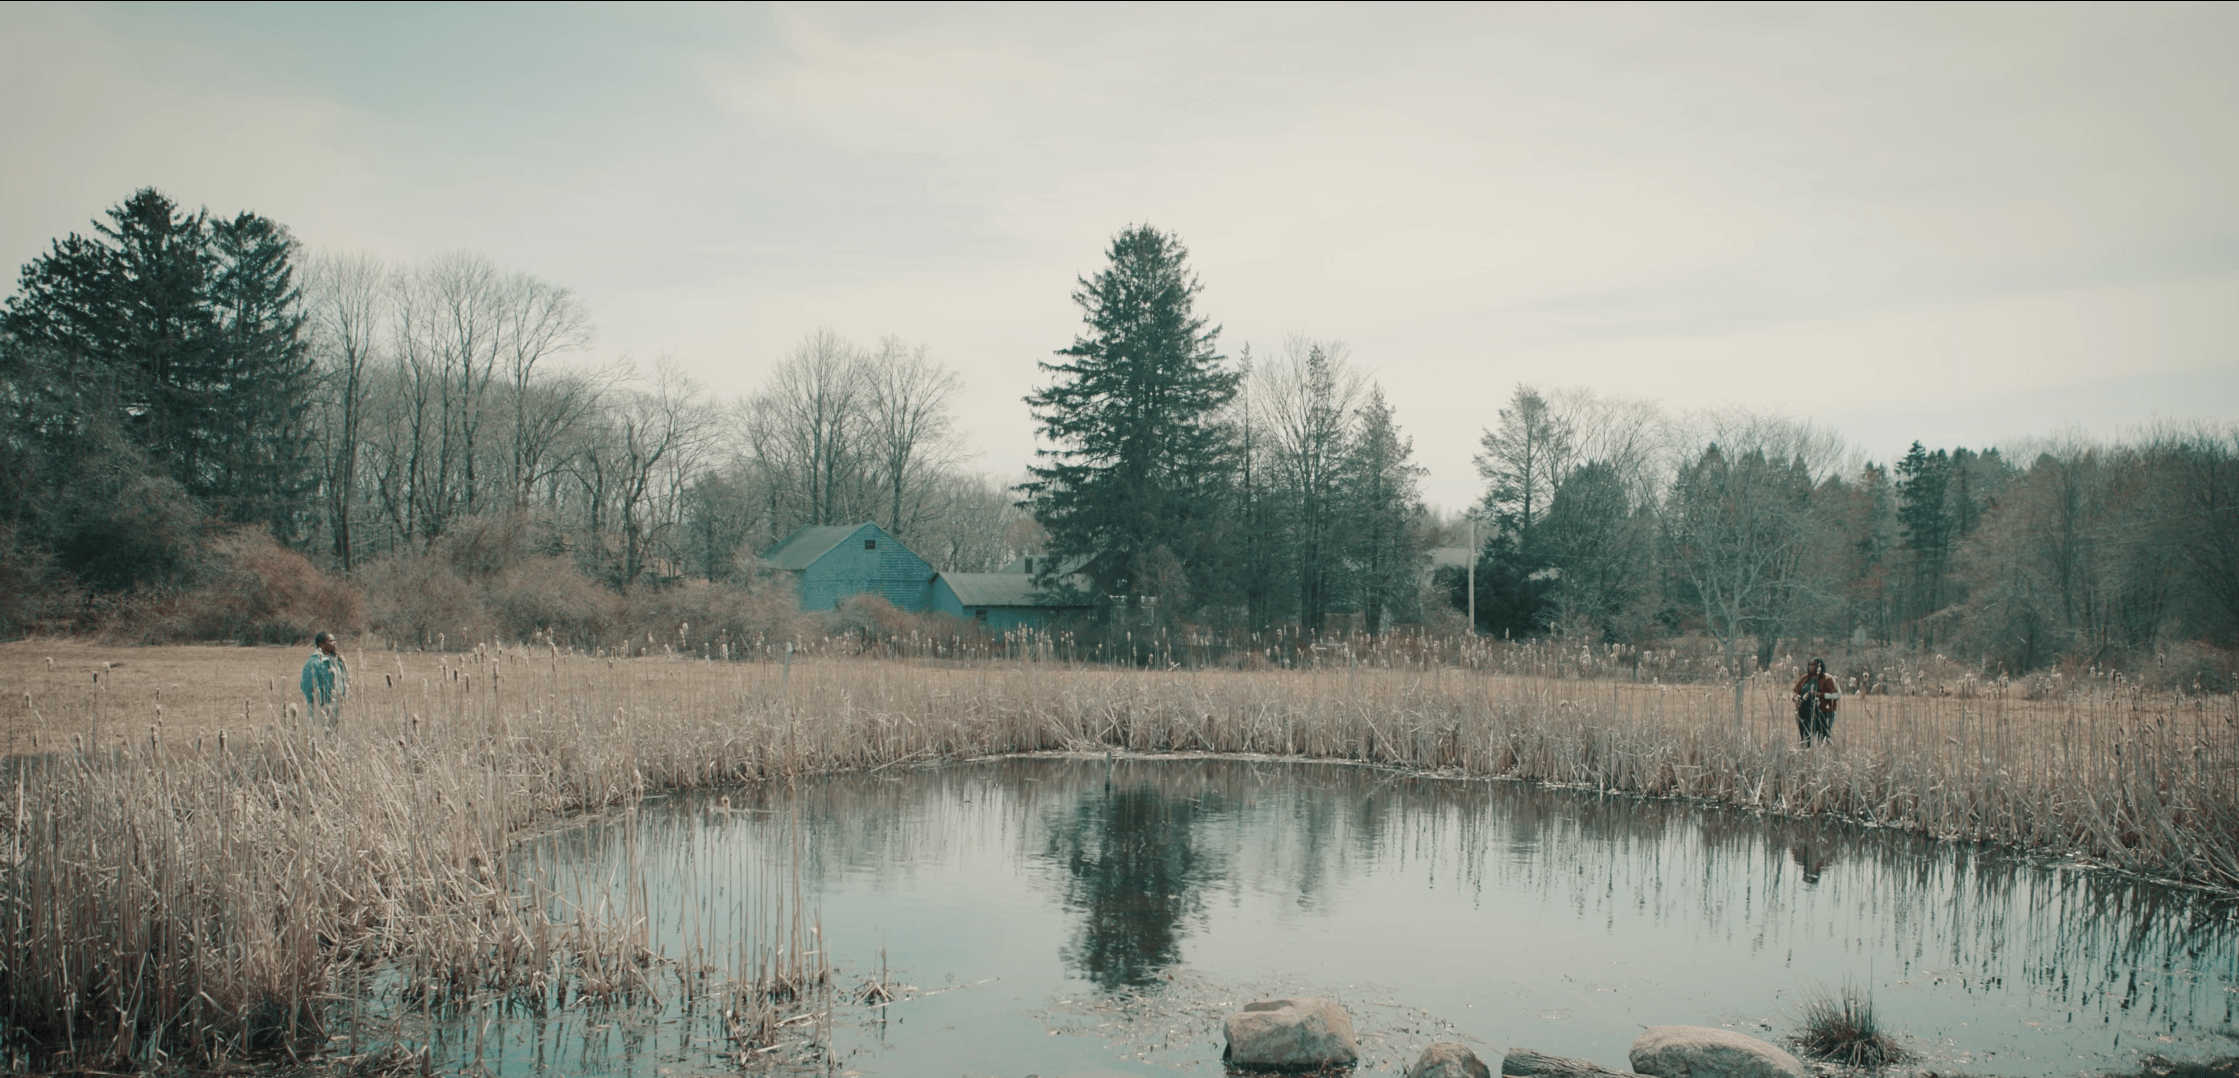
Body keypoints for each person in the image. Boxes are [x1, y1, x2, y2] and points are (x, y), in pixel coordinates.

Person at [301, 630, 348, 728]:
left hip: (336, 705)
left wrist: (343, 698)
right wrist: (319, 705)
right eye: (331, 641)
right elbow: (308, 686)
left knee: (333, 734)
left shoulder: (336, 661)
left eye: (335, 640)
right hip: (321, 707)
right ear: (321, 644)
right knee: (319, 733)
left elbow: (342, 681)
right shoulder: (314, 663)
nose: (335, 643)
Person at [1792, 657, 1839, 745]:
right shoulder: (1805, 678)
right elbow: (1795, 692)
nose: (1811, 667)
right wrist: (1796, 698)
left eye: (1813, 665)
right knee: (1805, 738)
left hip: (1822, 713)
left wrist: (1818, 694)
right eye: (1809, 664)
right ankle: (1806, 755)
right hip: (1804, 712)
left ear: (1820, 666)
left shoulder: (1827, 678)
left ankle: (1823, 756)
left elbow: (1836, 695)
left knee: (1823, 738)